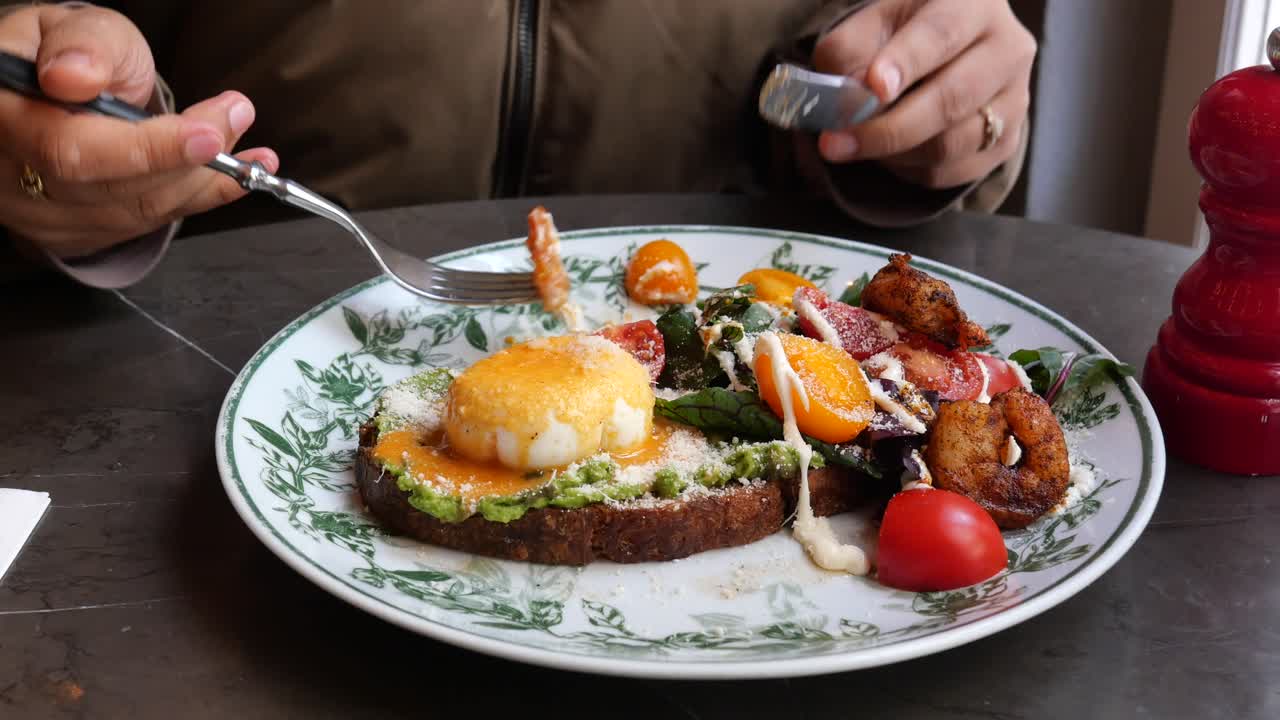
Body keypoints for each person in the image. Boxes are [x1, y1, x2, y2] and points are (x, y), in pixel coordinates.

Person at [0, 0, 1036, 289]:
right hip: (194, 388)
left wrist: (945, 122)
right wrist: (51, 160)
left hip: (732, 389)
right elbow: (50, 50)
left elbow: (929, 63)